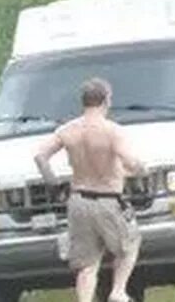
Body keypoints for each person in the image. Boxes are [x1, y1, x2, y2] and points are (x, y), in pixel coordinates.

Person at [33, 77, 146, 302]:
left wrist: (54, 185)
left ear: (83, 101)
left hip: (78, 200)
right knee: (128, 245)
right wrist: (141, 169)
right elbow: (130, 161)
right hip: (108, 199)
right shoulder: (112, 131)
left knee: (87, 263)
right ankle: (118, 291)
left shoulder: (67, 131)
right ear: (106, 100)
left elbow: (40, 156)